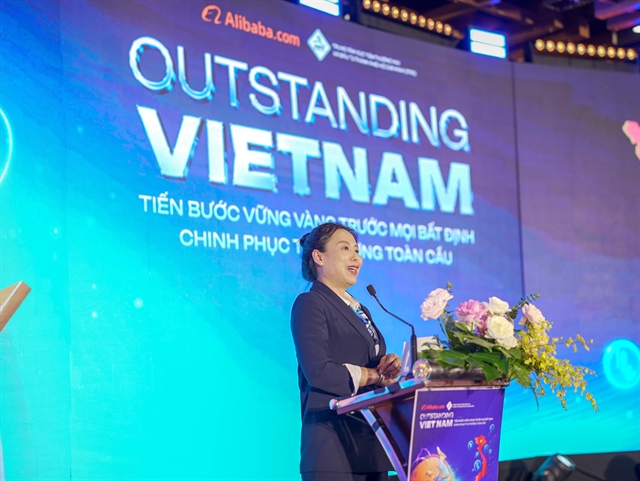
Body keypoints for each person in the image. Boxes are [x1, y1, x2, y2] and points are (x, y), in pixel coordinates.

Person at [291, 222, 402, 481]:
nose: (356, 257)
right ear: (319, 257)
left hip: (371, 446)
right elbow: (319, 371)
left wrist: (387, 366)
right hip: (333, 449)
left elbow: (366, 361)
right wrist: (374, 375)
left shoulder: (360, 308)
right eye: (345, 248)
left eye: (357, 250)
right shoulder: (310, 303)